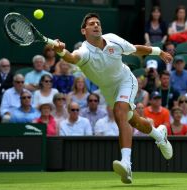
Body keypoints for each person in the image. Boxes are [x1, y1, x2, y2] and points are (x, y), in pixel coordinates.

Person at [54, 13, 173, 184]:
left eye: (98, 23)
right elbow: (72, 58)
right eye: (91, 24)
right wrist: (60, 51)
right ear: (83, 30)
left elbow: (135, 48)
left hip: (126, 80)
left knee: (119, 112)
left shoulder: (113, 40)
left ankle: (126, 163)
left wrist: (158, 51)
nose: (96, 25)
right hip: (109, 91)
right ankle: (159, 134)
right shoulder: (84, 51)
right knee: (136, 122)